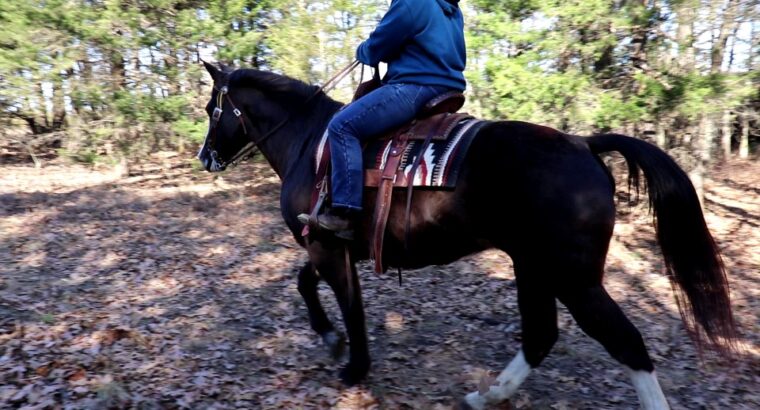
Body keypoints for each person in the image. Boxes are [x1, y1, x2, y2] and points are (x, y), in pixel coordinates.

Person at [303, 0, 466, 238]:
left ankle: (345, 213)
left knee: (342, 126)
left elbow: (381, 44)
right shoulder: (452, 9)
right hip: (447, 89)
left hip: (414, 86)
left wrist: (363, 50)